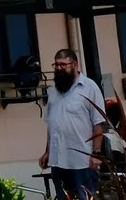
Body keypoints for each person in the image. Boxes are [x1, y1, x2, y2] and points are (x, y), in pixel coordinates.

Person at [40, 48, 109, 198]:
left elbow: (99, 124)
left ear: (75, 65)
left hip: (82, 162)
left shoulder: (90, 88)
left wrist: (97, 154)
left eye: (63, 65)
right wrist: (47, 152)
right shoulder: (53, 92)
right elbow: (52, 125)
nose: (59, 68)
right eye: (56, 65)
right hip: (58, 160)